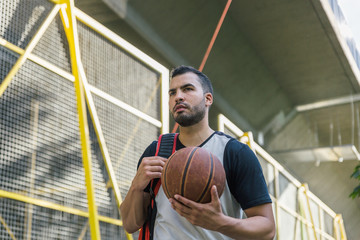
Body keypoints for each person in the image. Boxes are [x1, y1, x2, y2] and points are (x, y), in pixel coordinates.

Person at [120, 65, 275, 240]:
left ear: (208, 99)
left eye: (187, 89)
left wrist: (220, 222)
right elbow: (130, 224)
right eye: (172, 93)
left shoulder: (234, 152)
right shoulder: (156, 151)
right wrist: (136, 186)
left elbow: (267, 229)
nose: (178, 97)